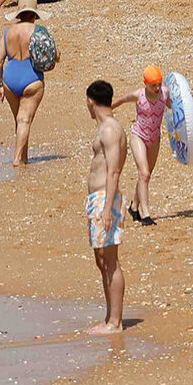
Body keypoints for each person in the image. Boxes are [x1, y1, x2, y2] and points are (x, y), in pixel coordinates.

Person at [84, 79, 128, 335]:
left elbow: (114, 171)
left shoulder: (110, 129)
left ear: (90, 101)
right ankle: (110, 316)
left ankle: (116, 322)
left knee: (110, 260)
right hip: (98, 199)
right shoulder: (105, 127)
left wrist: (108, 207)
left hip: (105, 198)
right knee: (101, 259)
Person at [112, 67, 169, 223]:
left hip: (155, 139)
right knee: (144, 173)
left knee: (146, 175)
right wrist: (105, 110)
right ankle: (146, 214)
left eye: (159, 84)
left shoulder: (165, 93)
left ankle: (134, 206)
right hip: (139, 136)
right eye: (153, 85)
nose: (157, 88)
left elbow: (173, 106)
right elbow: (121, 100)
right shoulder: (138, 95)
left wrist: (189, 98)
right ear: (145, 83)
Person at [0, 2, 47, 167]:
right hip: (31, 77)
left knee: (19, 120)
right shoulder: (38, 31)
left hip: (9, 79)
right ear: (34, 15)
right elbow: (53, 53)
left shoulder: (7, 31)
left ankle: (24, 157)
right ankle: (18, 159)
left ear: (18, 15)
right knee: (25, 120)